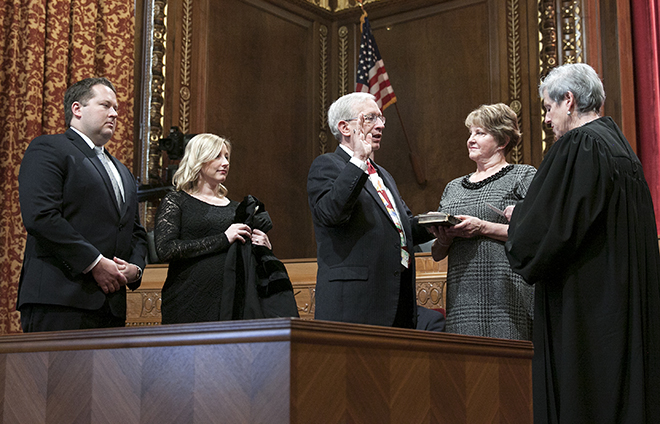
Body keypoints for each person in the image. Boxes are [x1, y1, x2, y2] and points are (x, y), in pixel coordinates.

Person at [505, 63, 660, 423]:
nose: (546, 119)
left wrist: (520, 220)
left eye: (547, 107)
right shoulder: (621, 146)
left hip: (586, 305)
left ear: (569, 101)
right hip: (623, 299)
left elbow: (544, 232)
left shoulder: (579, 146)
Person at [17, 77, 148, 332]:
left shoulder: (122, 171)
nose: (114, 114)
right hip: (60, 301)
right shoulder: (49, 148)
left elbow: (135, 231)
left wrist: (135, 269)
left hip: (111, 308)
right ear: (77, 109)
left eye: (117, 109)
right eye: (105, 105)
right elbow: (41, 217)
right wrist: (95, 263)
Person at [307, 92, 443, 330]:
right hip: (354, 304)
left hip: (396, 297)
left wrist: (439, 222)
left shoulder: (382, 173)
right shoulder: (326, 165)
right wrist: (359, 159)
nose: (380, 125)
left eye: (381, 118)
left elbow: (402, 228)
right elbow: (332, 213)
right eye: (370, 118)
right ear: (345, 127)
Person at [154, 133, 297, 324]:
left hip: (231, 303)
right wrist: (223, 238)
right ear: (199, 160)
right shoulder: (177, 200)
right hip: (188, 300)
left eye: (227, 157)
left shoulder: (237, 209)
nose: (225, 163)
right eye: (217, 156)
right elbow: (166, 249)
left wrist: (264, 246)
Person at [427, 103, 536, 340]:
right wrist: (444, 239)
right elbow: (436, 254)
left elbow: (536, 232)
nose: (471, 140)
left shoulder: (523, 176)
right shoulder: (453, 187)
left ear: (503, 140)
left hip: (507, 290)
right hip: (462, 294)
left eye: (480, 133)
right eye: (470, 133)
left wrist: (483, 227)